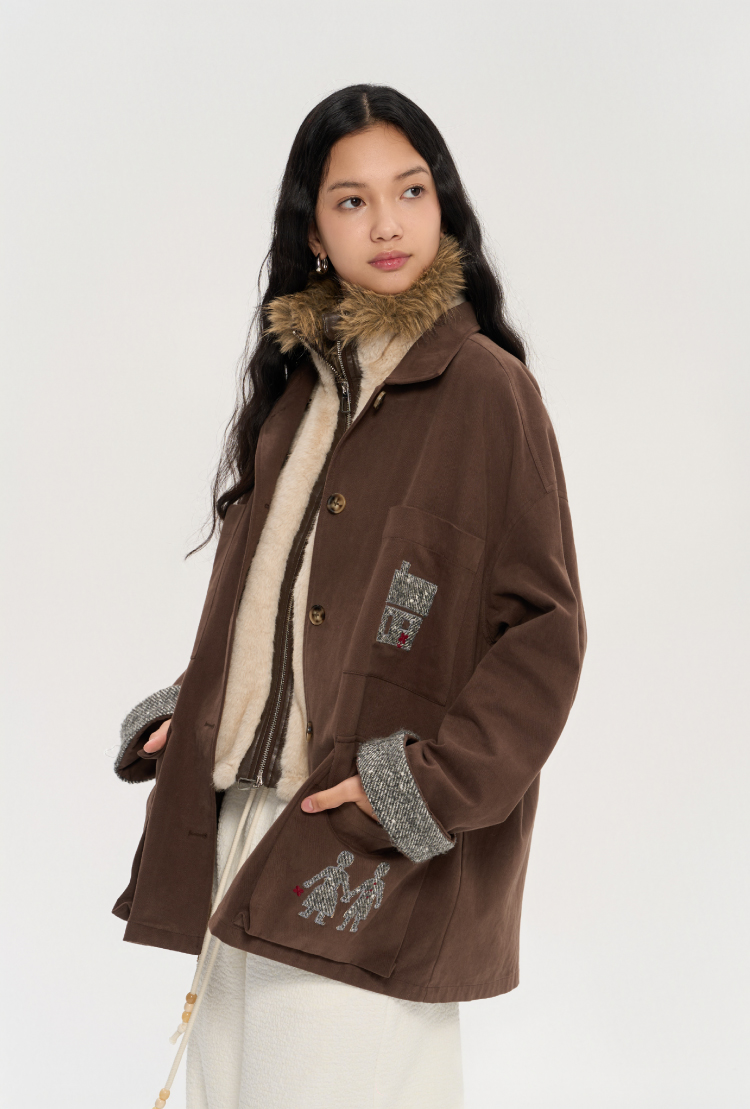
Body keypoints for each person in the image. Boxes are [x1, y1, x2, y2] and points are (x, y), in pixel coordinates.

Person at [112, 84, 586, 1109]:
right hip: (246, 819)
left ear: (444, 205)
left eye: (410, 191)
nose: (387, 223)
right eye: (352, 200)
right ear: (315, 233)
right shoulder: (300, 392)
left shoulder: (487, 389)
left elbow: (544, 634)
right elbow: (281, 605)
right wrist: (207, 711)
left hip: (364, 835)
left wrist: (421, 786)